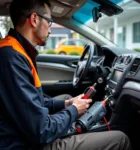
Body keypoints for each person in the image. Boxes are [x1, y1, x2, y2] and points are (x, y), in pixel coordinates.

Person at [0, 0, 132, 150]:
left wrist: (67, 105)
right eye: (49, 22)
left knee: (67, 98)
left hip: (25, 133)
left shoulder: (14, 50)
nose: (50, 30)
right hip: (23, 144)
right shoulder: (12, 59)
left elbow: (35, 100)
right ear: (34, 19)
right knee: (120, 139)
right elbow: (41, 131)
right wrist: (74, 111)